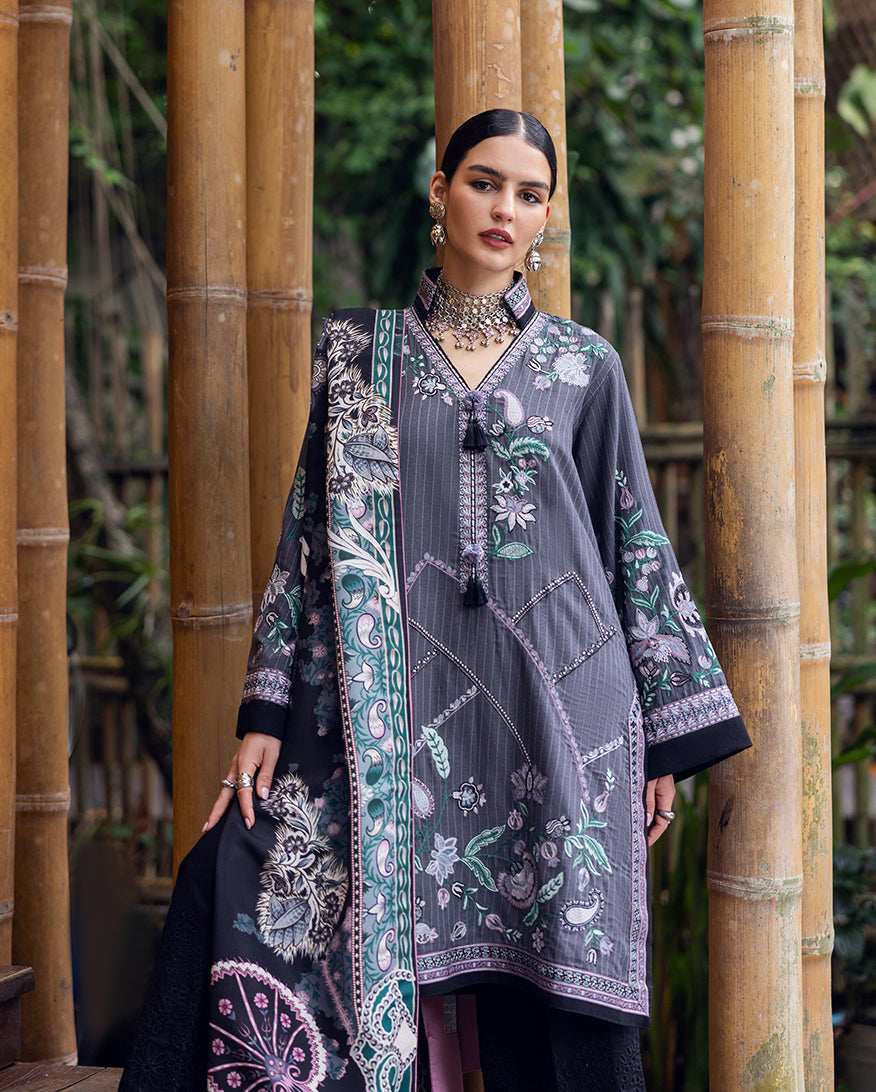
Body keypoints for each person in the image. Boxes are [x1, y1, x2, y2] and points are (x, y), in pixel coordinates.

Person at [121, 109, 750, 1092]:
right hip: (391, 714)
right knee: (226, 873)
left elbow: (632, 539)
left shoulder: (584, 366)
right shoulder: (358, 358)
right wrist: (265, 714)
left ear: (546, 217)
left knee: (552, 972)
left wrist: (663, 742)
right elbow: (307, 540)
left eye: (530, 195)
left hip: (559, 710)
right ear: (440, 192)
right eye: (485, 183)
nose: (505, 209)